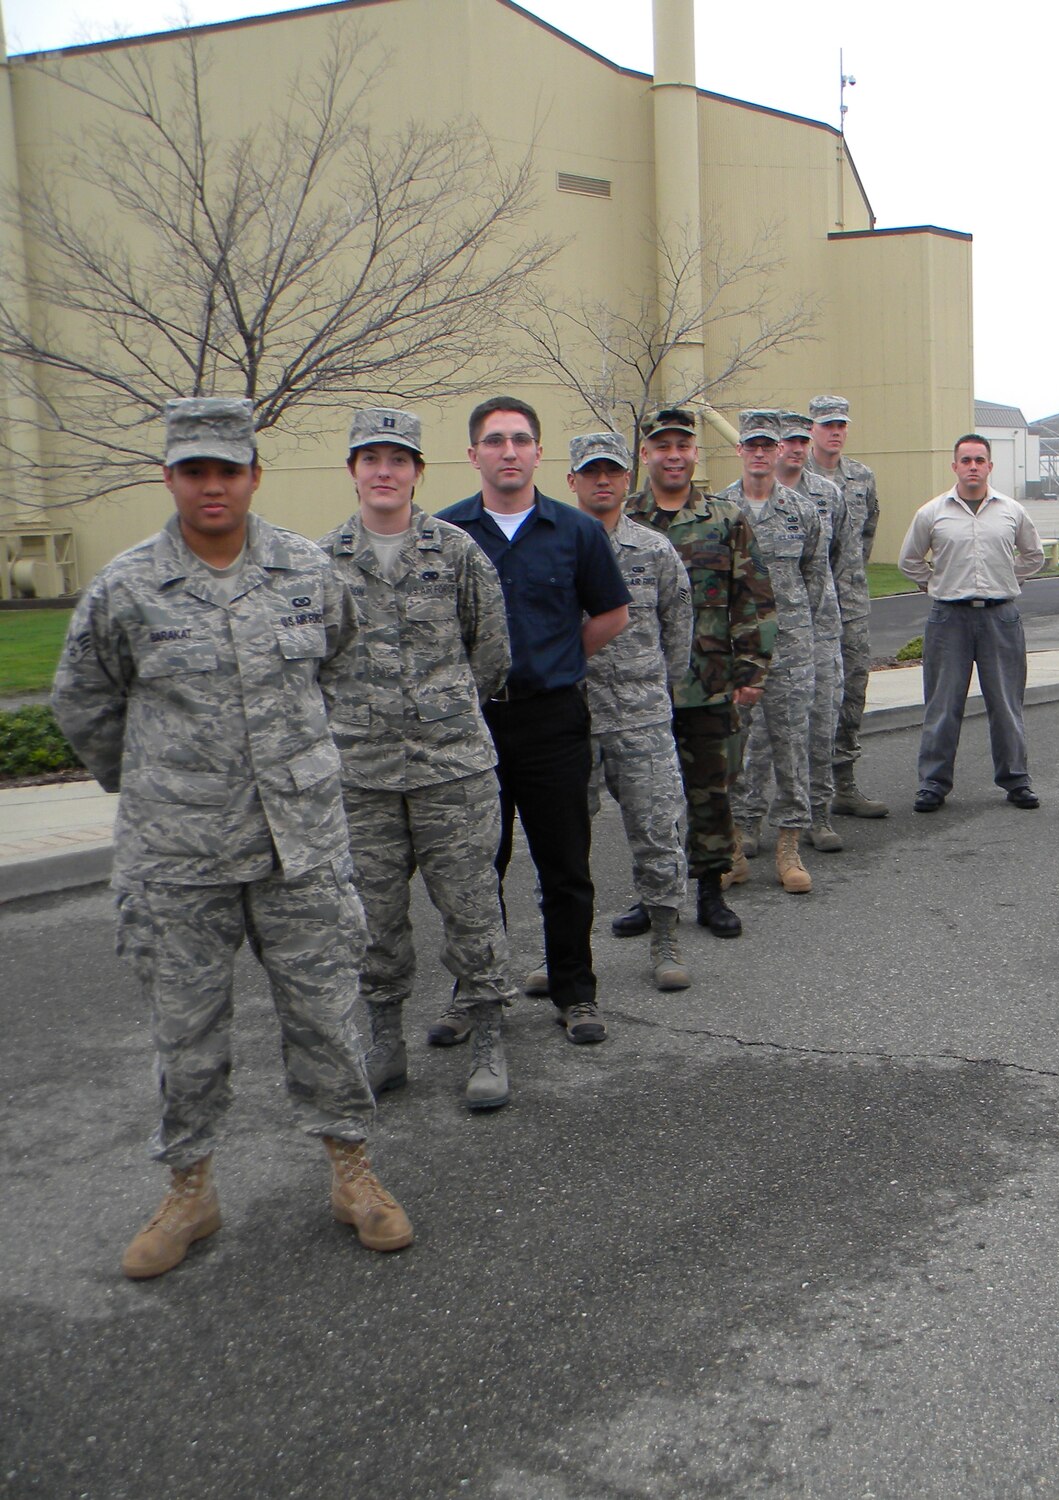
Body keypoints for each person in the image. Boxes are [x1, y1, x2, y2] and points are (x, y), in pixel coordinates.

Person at [52, 397, 412, 1279]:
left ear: (253, 474)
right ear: (169, 477)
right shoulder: (127, 587)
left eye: (227, 470)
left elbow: (341, 659)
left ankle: (353, 1174)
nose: (212, 486)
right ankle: (190, 1192)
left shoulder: (305, 570)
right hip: (180, 858)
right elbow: (82, 703)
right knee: (187, 1033)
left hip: (300, 848)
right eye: (193, 471)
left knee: (328, 1019)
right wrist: (154, 784)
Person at [318, 408, 515, 1111]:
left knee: (471, 909)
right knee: (371, 917)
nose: (383, 470)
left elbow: (491, 652)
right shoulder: (321, 563)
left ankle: (489, 1035)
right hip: (361, 777)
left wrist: (442, 710)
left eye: (397, 459)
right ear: (353, 470)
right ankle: (384, 1039)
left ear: (417, 472)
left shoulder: (457, 553)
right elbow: (313, 663)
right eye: (370, 457)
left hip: (450, 770)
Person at [435, 398, 630, 1045]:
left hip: (553, 722)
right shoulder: (445, 535)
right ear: (474, 455)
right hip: (473, 726)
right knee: (473, 869)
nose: (509, 451)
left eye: (521, 439)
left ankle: (575, 992)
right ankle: (474, 991)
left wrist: (561, 656)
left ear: (539, 452)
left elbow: (611, 614)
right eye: (495, 441)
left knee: (564, 865)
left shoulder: (576, 532)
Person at [628, 406, 774, 939]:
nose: (673, 455)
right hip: (640, 689)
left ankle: (711, 893)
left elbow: (753, 598)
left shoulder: (725, 519)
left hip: (710, 684)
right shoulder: (624, 521)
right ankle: (653, 896)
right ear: (646, 455)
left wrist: (752, 670)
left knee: (711, 793)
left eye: (682, 446)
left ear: (694, 453)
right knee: (647, 799)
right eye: (662, 446)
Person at [567, 432, 696, 991]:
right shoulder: (554, 545)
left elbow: (679, 623)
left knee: (656, 829)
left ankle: (665, 939)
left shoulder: (654, 550)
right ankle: (562, 951)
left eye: (612, 472)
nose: (602, 481)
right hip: (569, 719)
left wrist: (660, 691)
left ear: (627, 480)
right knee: (564, 842)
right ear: (571, 480)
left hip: (641, 716)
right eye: (591, 471)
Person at [897, 433, 1045, 811]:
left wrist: (1007, 577)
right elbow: (909, 559)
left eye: (980, 460)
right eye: (966, 460)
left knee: (1006, 704)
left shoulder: (1011, 511)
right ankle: (933, 783)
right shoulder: (933, 513)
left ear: (990, 466)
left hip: (1000, 617)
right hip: (949, 619)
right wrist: (935, 583)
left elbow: (1034, 555)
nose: (973, 467)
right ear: (955, 466)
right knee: (943, 705)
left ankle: (1016, 781)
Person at [720, 409, 833, 894]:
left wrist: (810, 639)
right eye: (753, 445)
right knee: (731, 750)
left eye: (769, 445)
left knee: (791, 747)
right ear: (740, 449)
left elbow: (814, 579)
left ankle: (789, 845)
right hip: (734, 651)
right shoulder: (718, 510)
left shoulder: (801, 510)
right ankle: (733, 845)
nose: (762, 453)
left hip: (791, 648)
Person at [807, 394, 890, 818]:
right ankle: (802, 790)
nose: (836, 432)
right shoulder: (794, 477)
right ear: (811, 429)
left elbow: (866, 532)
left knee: (852, 692)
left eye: (841, 424)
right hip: (806, 607)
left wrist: (851, 575)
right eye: (827, 425)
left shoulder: (861, 477)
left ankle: (845, 783)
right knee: (807, 697)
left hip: (851, 602)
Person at [780, 410, 855, 850]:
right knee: (757, 739)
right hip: (763, 633)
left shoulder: (827, 495)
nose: (794, 448)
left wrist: (835, 610)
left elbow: (844, 553)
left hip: (821, 629)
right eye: (785, 441)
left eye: (799, 441)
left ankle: (818, 815)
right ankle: (747, 822)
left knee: (821, 723)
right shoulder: (737, 500)